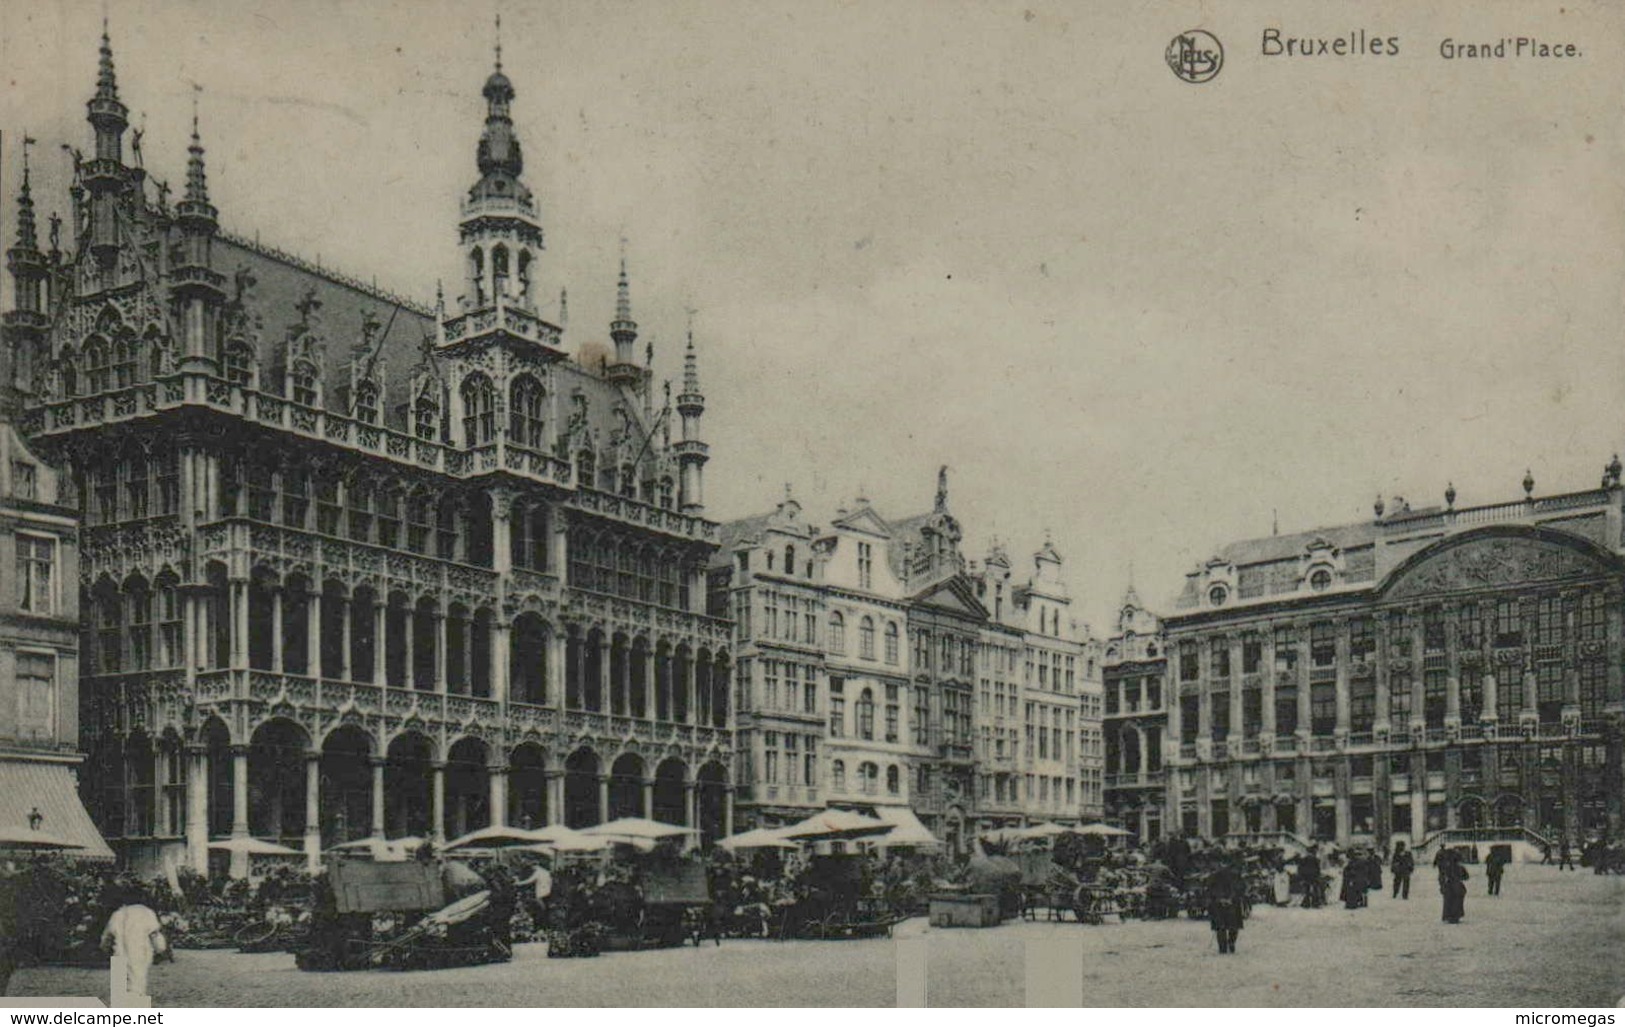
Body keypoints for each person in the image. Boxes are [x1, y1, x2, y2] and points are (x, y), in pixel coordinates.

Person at [100, 889, 165, 1004]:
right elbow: (154, 935)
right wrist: (160, 948)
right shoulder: (147, 913)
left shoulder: (118, 914)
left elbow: (107, 936)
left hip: (119, 954)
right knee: (137, 985)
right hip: (140, 954)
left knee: (119, 991)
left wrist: (104, 948)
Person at [1206, 857, 1246, 954]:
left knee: (1221, 926)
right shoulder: (1236, 875)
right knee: (1233, 926)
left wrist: (1219, 899)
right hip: (1231, 903)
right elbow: (1241, 888)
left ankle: (1222, 947)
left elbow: (1209, 890)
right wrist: (1231, 898)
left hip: (1220, 903)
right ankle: (1230, 943)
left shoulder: (1213, 876)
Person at [1439, 850, 1468, 924]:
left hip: (1449, 886)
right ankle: (1456, 916)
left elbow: (1441, 877)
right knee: (1457, 902)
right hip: (1457, 886)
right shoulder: (1460, 868)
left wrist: (1442, 885)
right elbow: (1466, 877)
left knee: (1449, 902)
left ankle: (1449, 915)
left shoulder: (1446, 868)